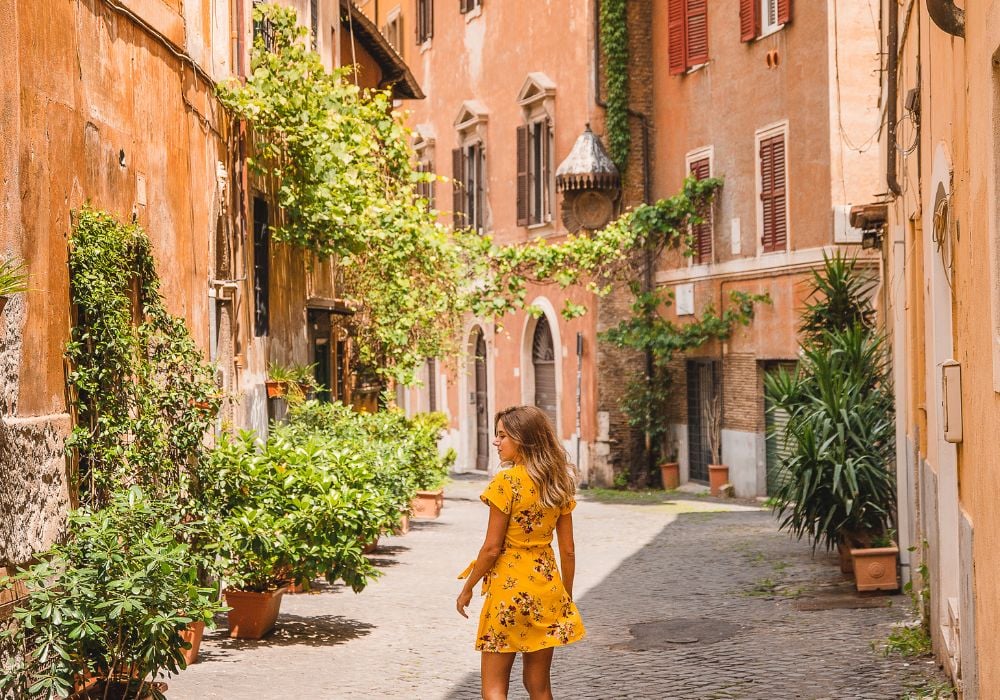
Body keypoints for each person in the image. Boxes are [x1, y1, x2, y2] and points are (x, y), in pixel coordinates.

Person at [456, 405, 585, 700]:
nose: (496, 441)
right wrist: (564, 594)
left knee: (494, 687)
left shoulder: (506, 483)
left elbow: (491, 549)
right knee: (539, 687)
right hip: (546, 589)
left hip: (508, 594)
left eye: (502, 435)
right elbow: (568, 550)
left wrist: (468, 587)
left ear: (523, 439)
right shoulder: (558, 482)